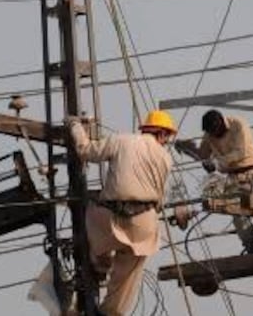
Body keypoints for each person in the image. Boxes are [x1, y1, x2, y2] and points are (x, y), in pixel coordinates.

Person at [67, 109, 177, 316]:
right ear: (162, 134)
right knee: (127, 276)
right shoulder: (165, 157)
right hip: (143, 223)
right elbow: (160, 198)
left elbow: (85, 150)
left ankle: (101, 261)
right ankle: (110, 312)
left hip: (110, 219)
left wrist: (76, 127)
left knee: (90, 210)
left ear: (145, 129)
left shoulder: (121, 140)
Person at [175, 110, 253, 254]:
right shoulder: (210, 135)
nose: (213, 136)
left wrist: (216, 163)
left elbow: (241, 152)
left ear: (221, 123)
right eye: (210, 133)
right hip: (234, 179)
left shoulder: (238, 126)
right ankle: (251, 248)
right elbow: (203, 155)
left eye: (215, 131)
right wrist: (187, 148)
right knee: (238, 216)